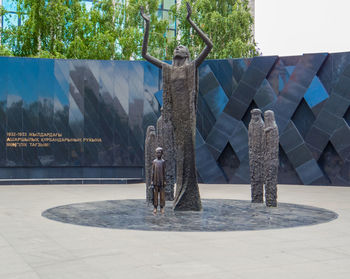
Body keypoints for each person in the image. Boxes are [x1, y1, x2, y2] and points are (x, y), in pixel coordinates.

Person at [140, 3, 213, 211]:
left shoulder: (191, 67)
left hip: (188, 118)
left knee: (188, 157)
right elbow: (145, 53)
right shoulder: (169, 69)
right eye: (175, 48)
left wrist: (191, 21)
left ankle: (188, 196)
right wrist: (147, 24)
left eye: (181, 47)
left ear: (186, 54)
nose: (177, 48)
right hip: (176, 119)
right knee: (179, 155)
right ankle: (183, 196)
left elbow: (209, 45)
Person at [151, 147, 166, 214]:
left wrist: (165, 180)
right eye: (157, 152)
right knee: (155, 195)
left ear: (162, 153)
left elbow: (164, 172)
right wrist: (152, 181)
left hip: (161, 181)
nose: (158, 154)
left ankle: (162, 207)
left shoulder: (163, 162)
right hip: (155, 181)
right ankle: (155, 207)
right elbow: (152, 172)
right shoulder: (154, 162)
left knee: (162, 195)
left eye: (159, 152)